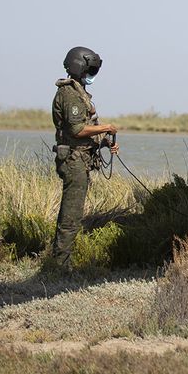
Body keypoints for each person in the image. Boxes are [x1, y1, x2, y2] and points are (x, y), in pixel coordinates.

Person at [47, 45, 117, 271]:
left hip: (81, 159)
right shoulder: (69, 94)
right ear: (79, 67)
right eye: (90, 70)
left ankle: (61, 262)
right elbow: (77, 130)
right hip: (73, 161)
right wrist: (106, 127)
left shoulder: (78, 93)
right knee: (71, 216)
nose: (92, 75)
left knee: (72, 215)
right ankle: (60, 267)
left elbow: (83, 132)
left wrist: (104, 142)